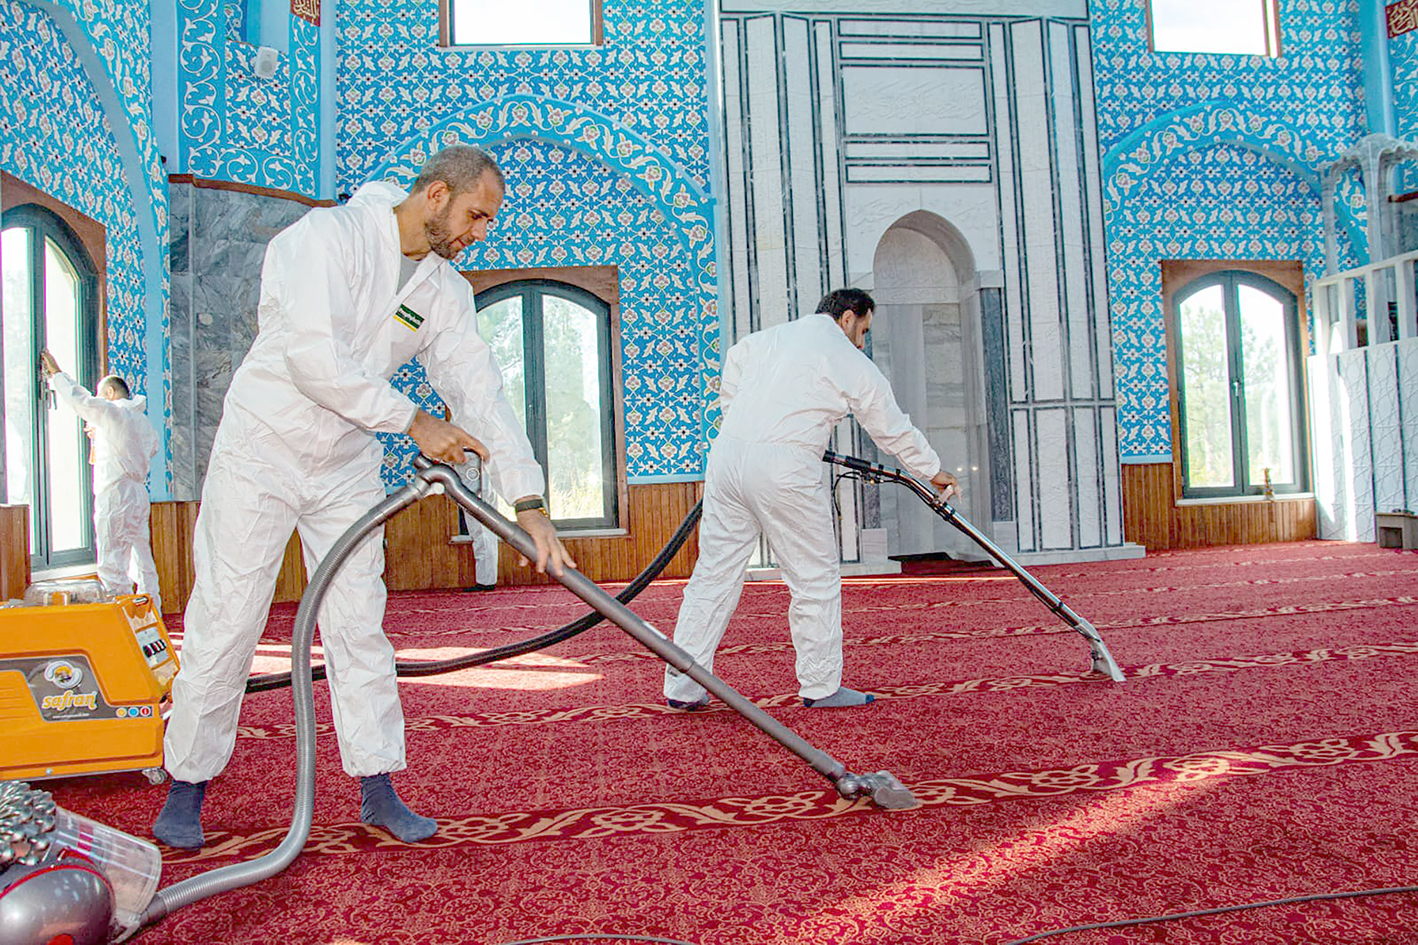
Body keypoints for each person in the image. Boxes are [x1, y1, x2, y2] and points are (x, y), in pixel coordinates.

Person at [154, 145, 575, 850]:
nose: (481, 232)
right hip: (262, 446)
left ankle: (378, 786)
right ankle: (187, 785)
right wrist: (412, 420)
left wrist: (527, 496)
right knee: (229, 616)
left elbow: (480, 391)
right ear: (436, 194)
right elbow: (313, 361)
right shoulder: (324, 239)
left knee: (358, 622)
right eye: (477, 214)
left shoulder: (445, 292)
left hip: (345, 463)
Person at [663, 288, 957, 711]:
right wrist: (931, 469)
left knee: (713, 575)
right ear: (849, 316)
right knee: (814, 577)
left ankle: (682, 686)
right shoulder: (847, 356)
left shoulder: (767, 338)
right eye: (864, 330)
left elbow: (734, 364)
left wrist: (742, 420)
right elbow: (890, 424)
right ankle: (821, 687)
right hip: (785, 465)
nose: (861, 342)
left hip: (727, 459)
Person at [39, 351, 162, 612]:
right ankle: (152, 614)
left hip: (116, 493)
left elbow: (80, 401)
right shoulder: (141, 421)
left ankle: (120, 617)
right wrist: (103, 435)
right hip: (139, 494)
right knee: (141, 559)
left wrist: (57, 374)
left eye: (100, 394)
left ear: (108, 393)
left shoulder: (114, 413)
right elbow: (149, 448)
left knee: (112, 559)